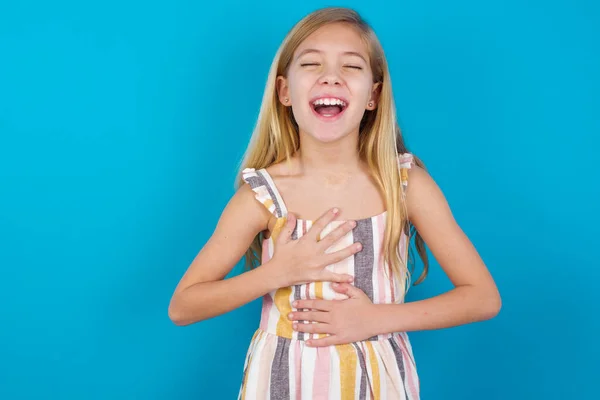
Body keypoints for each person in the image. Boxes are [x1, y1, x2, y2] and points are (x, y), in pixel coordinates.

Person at [168, 6, 501, 400]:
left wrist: (376, 319)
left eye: (352, 66)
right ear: (285, 92)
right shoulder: (262, 196)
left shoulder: (405, 186)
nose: (331, 76)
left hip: (379, 382)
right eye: (311, 63)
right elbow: (183, 306)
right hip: (281, 384)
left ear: (374, 95)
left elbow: (482, 296)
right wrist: (275, 272)